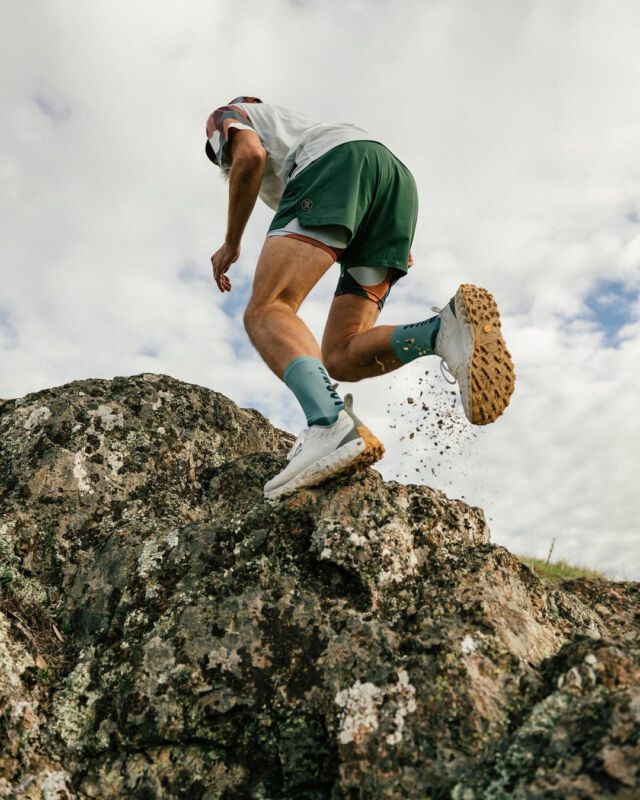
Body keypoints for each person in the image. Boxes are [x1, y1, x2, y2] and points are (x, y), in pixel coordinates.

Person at [205, 97, 515, 500]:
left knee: (268, 309)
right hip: (393, 187)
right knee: (341, 355)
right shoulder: (295, 128)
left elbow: (247, 156)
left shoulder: (230, 114)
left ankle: (328, 422)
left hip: (339, 166)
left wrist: (231, 243)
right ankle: (442, 332)